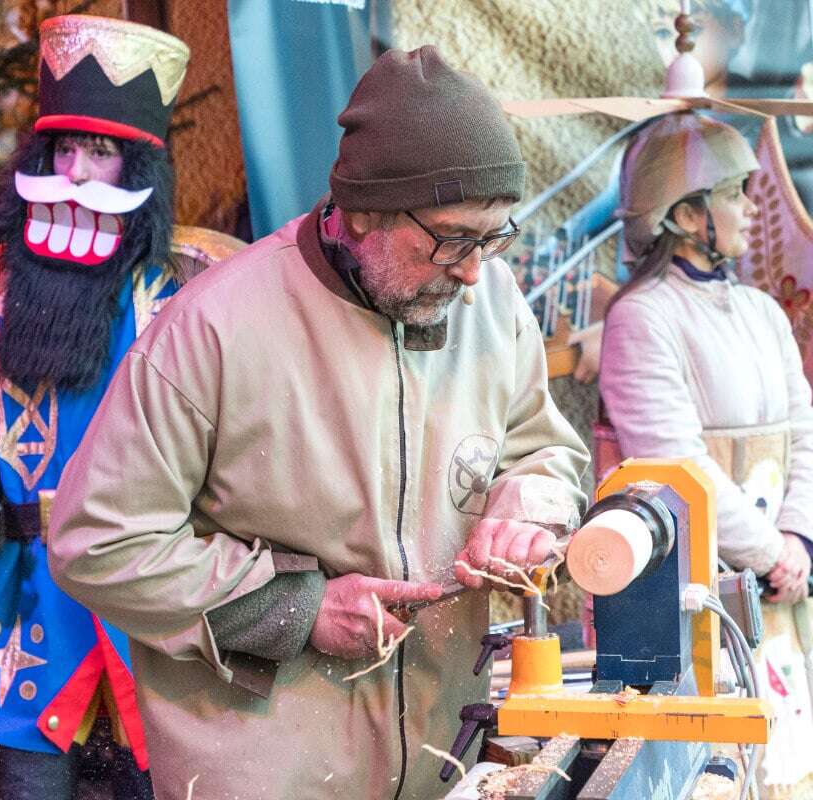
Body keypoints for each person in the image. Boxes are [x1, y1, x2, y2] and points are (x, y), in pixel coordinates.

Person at [47, 46, 589, 800]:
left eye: (493, 238)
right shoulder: (211, 330)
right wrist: (295, 609)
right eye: (451, 239)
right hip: (263, 775)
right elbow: (96, 540)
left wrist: (528, 511)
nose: (473, 272)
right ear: (362, 209)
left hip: (444, 768)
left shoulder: (491, 302)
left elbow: (544, 453)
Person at [0, 14, 196, 800]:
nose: (72, 172)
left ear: (136, 168)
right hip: (36, 599)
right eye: (62, 150)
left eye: (98, 152)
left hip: (148, 600)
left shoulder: (182, 292)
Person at [600, 111, 813, 788]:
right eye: (735, 194)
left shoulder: (761, 311)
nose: (752, 208)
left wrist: (799, 538)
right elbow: (676, 463)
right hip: (697, 594)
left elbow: (805, 431)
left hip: (779, 583)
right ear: (689, 216)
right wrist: (769, 551)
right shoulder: (643, 317)